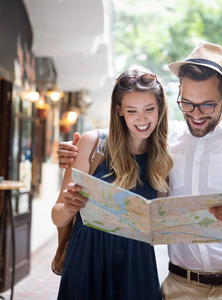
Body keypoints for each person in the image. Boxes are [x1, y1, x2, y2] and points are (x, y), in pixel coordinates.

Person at [57, 42, 222, 300]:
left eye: (207, 105)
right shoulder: (165, 138)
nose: (196, 115)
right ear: (178, 92)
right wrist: (71, 151)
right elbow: (125, 137)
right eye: (187, 103)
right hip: (179, 287)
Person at [52, 68, 173, 300]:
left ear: (160, 109)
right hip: (87, 258)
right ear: (119, 110)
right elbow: (57, 217)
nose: (142, 119)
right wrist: (69, 206)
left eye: (150, 109)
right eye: (131, 111)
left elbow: (157, 228)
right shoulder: (92, 144)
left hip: (136, 264)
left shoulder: (162, 158)